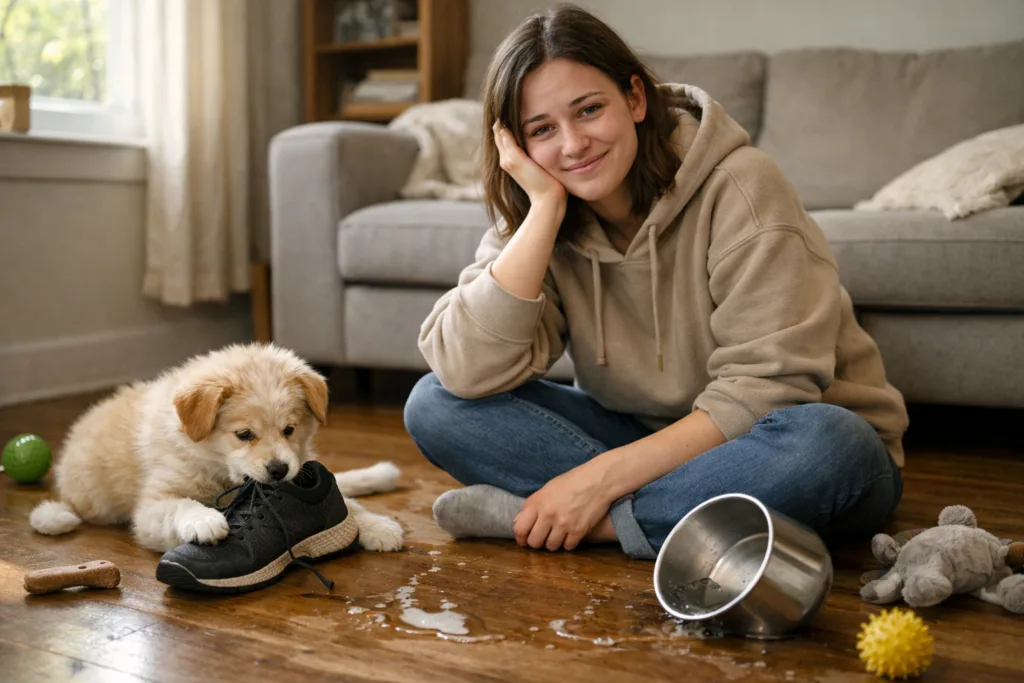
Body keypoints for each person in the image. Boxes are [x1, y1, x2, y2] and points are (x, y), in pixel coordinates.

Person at [402, 3, 908, 560]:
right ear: (516, 147)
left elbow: (773, 391)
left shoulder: (741, 186)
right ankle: (664, 516)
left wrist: (598, 480)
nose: (572, 145)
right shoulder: (538, 211)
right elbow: (466, 370)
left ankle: (587, 523)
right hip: (642, 437)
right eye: (541, 129)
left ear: (636, 98)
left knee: (834, 445)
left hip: (774, 443)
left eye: (589, 110)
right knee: (434, 402)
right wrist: (544, 210)